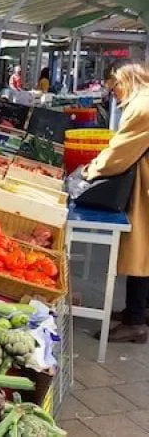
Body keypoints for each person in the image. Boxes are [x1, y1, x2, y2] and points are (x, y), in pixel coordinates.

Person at [87, 62, 149, 343]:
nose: (115, 96)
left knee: (141, 249)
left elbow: (120, 151)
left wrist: (91, 170)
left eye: (114, 88)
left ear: (123, 80)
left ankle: (136, 321)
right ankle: (140, 312)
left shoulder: (142, 106)